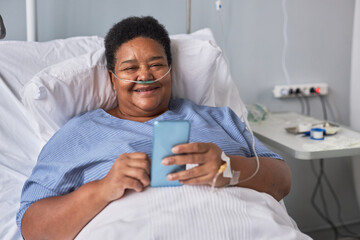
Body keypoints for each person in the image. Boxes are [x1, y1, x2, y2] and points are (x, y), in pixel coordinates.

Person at [17, 16, 292, 240]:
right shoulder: (78, 133)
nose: (145, 76)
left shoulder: (219, 119)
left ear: (170, 71)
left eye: (156, 65)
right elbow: (32, 227)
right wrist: (103, 188)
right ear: (112, 80)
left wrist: (229, 168)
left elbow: (282, 182)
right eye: (129, 68)